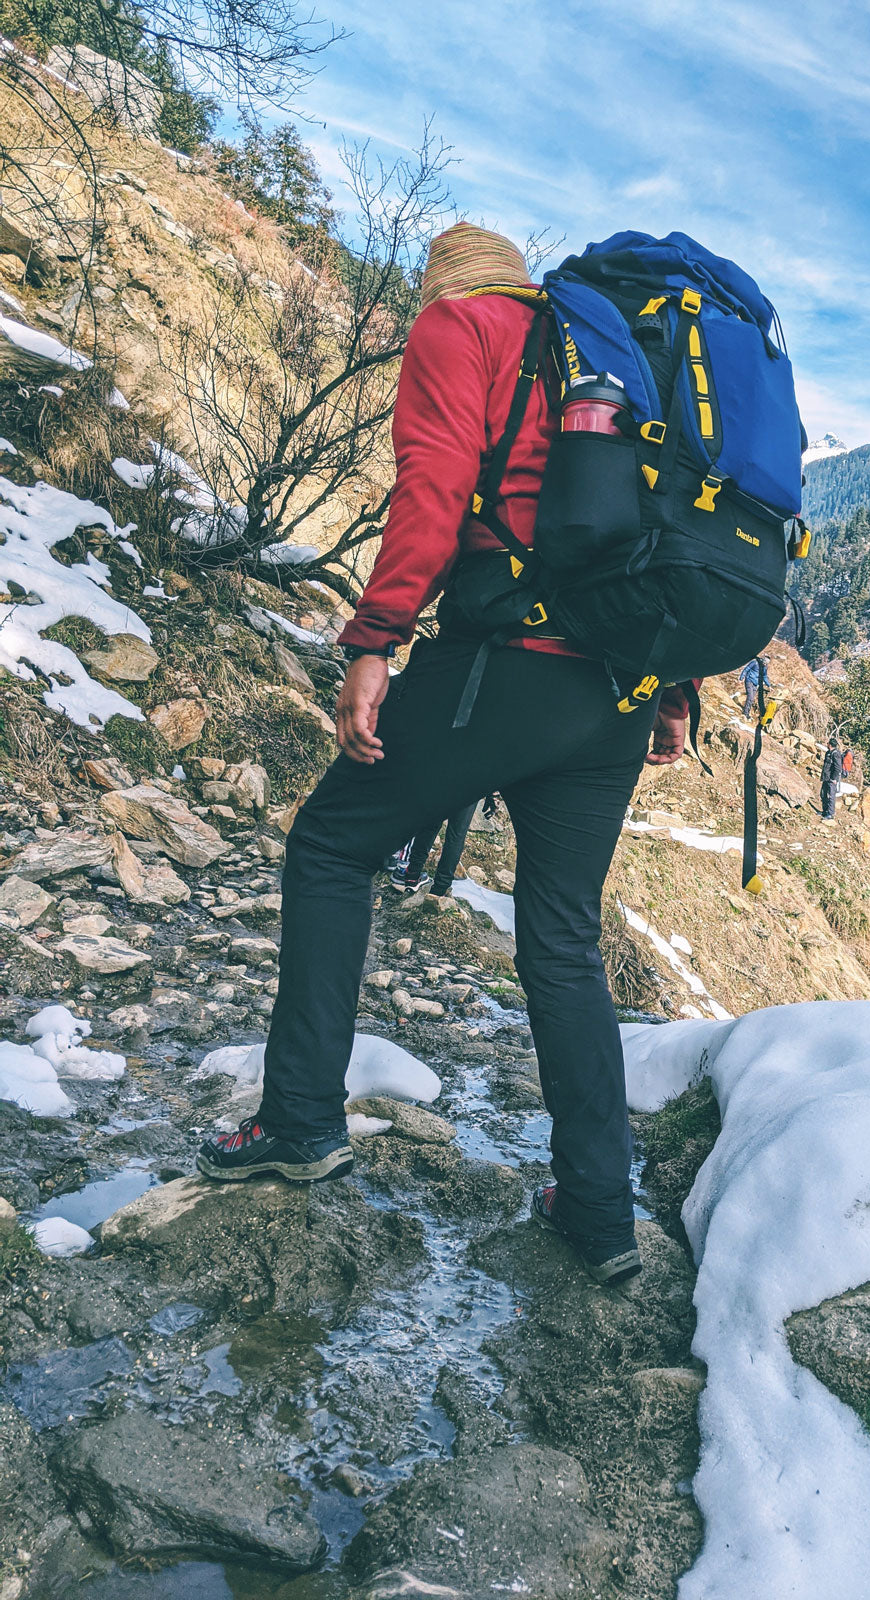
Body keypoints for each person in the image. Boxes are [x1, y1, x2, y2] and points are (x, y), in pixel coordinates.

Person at [196, 221, 690, 1287]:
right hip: (617, 683)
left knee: (331, 846)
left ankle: (300, 1123)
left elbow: (432, 488)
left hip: (501, 664)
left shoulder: (460, 330)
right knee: (561, 936)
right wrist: (677, 686)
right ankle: (600, 1211)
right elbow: (659, 528)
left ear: (446, 287)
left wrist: (374, 642)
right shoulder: (609, 359)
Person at [388, 798, 479, 897]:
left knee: (431, 823)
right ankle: (439, 890)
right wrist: (493, 794)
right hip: (472, 788)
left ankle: (412, 875)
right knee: (456, 836)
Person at [739, 655, 771, 719]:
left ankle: (746, 712)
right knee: (750, 696)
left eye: (766, 663)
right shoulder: (755, 662)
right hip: (749, 680)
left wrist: (769, 685)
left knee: (752, 698)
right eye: (764, 662)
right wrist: (741, 678)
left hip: (755, 683)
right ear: (762, 660)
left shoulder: (764, 667)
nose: (765, 664)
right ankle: (745, 713)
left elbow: (764, 676)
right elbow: (746, 669)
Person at [820, 735, 841, 823]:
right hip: (826, 777)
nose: (827, 744)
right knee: (823, 794)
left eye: (828, 743)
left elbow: (838, 767)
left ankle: (831, 814)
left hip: (832, 779)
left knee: (831, 796)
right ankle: (825, 812)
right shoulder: (828, 752)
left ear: (830, 744)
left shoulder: (835, 754)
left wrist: (834, 778)